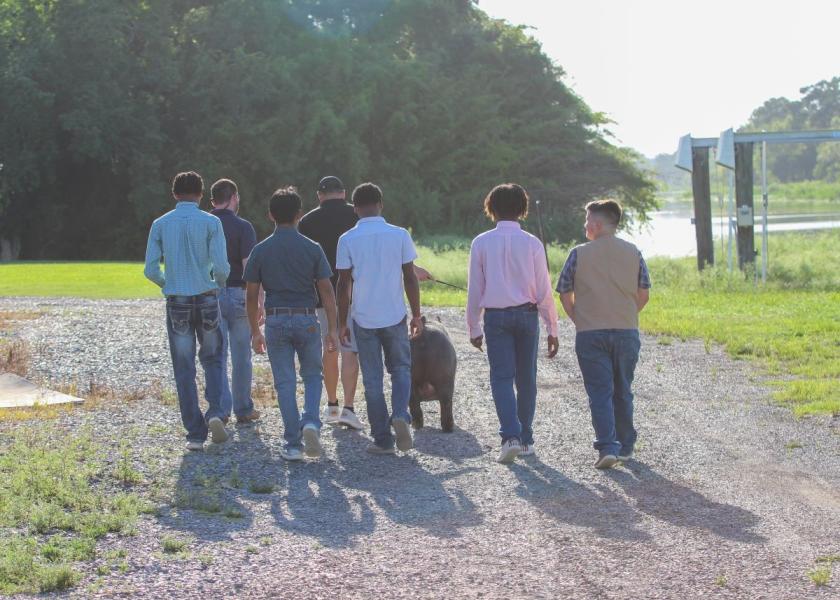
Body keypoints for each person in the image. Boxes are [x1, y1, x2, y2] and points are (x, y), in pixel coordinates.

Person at [466, 183, 559, 464]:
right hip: (528, 315)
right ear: (522, 209)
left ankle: (510, 437)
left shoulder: (481, 242)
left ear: (491, 209)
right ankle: (526, 439)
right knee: (526, 378)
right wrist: (552, 327)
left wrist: (474, 326)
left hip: (495, 317)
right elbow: (544, 289)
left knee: (502, 377)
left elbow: (475, 289)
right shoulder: (532, 243)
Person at [243, 187, 338, 461]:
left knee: (284, 383)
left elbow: (251, 295)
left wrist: (254, 331)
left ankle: (293, 445)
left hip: (276, 319)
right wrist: (331, 328)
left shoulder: (260, 250)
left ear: (270, 215)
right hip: (307, 317)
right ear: (299, 214)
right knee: (311, 376)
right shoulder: (312, 248)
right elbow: (327, 292)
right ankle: (310, 422)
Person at [556, 199, 651, 470]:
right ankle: (626, 445)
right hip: (626, 330)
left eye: (587, 221)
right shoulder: (633, 252)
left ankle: (607, 446)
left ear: (596, 224)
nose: (585, 225)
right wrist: (629, 314)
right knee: (623, 389)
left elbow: (564, 291)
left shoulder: (578, 253)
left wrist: (578, 317)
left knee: (599, 391)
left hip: (590, 332)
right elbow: (644, 292)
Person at [144, 171, 231, 451]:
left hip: (177, 298)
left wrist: (167, 283)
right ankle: (216, 412)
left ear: (174, 194)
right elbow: (221, 267)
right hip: (206, 296)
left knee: (184, 367)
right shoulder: (211, 222)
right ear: (201, 194)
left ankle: (195, 432)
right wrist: (217, 283)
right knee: (214, 358)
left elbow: (149, 268)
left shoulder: (160, 223)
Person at [335, 182, 423, 455]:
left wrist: (341, 322)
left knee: (372, 380)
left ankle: (383, 439)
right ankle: (400, 414)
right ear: (381, 205)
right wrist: (417, 314)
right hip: (394, 315)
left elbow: (342, 284)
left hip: (363, 318)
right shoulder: (399, 235)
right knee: (400, 369)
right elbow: (410, 276)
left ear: (356, 208)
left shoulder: (347, 239)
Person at [297, 176, 363, 430]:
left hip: (321, 294)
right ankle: (348, 407)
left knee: (330, 346)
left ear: (319, 195)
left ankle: (331, 404)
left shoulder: (307, 221)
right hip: (352, 292)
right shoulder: (356, 217)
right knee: (350, 348)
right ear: (344, 193)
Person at [209, 178, 262, 425]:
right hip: (240, 293)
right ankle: (243, 408)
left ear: (213, 200)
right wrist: (258, 299)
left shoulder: (205, 224)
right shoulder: (244, 227)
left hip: (211, 294)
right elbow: (247, 266)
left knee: (217, 354)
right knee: (242, 355)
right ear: (233, 198)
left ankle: (221, 409)